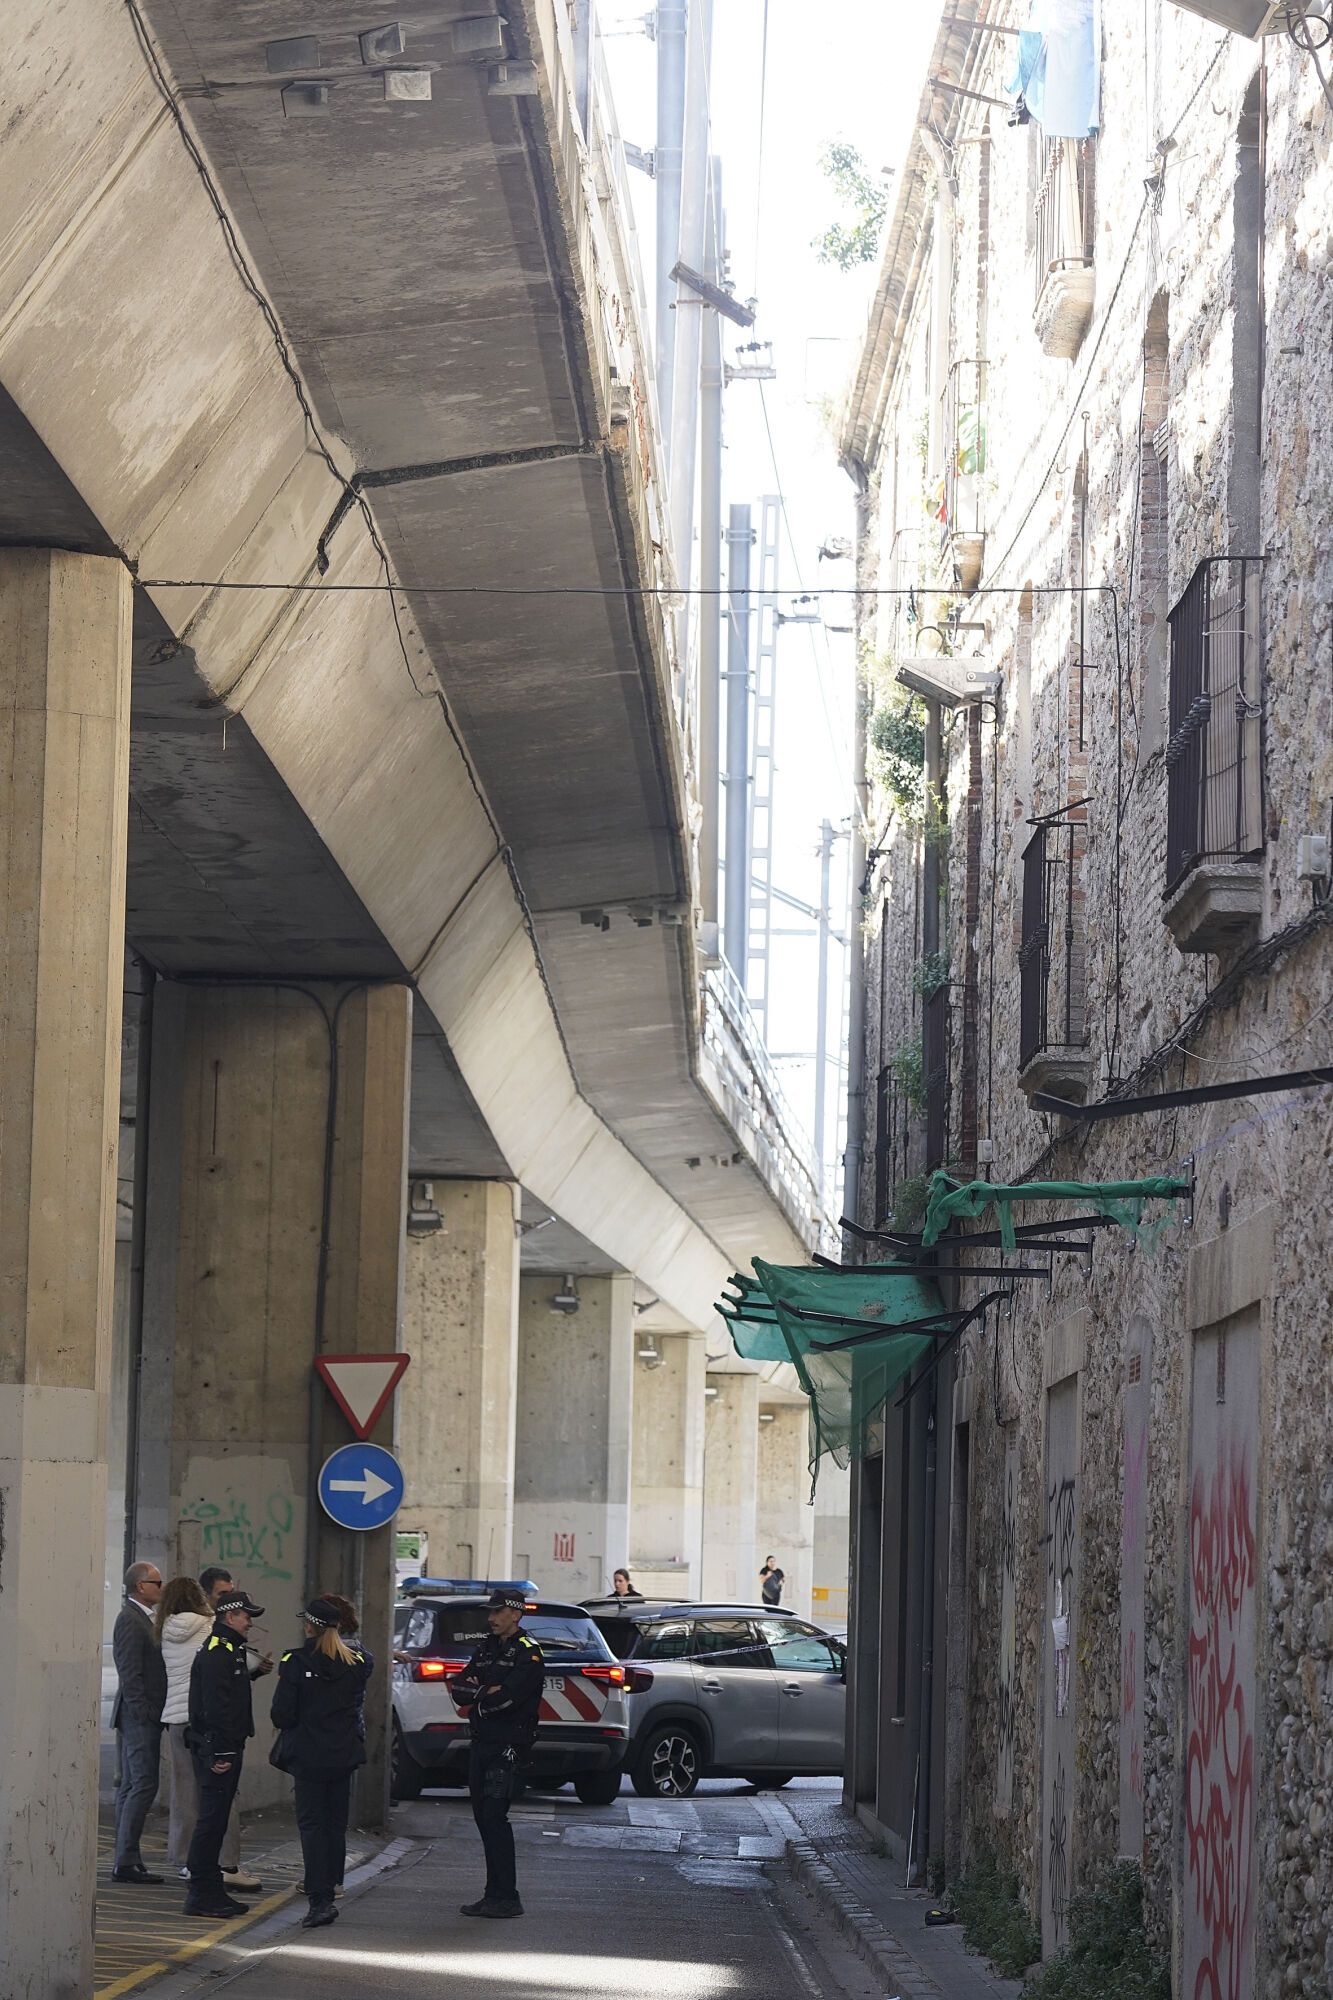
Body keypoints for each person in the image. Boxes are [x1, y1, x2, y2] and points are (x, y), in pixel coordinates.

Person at [270, 1598, 373, 1930]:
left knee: (312, 1826)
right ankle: (333, 1885)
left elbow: (281, 1714)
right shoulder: (357, 1663)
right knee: (334, 1823)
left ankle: (319, 1899)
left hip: (309, 1755)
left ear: (309, 1626)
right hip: (342, 1755)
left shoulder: (296, 1661)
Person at [449, 1588, 545, 1920]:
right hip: (482, 1740)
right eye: (490, 1612)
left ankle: (507, 1896)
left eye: (497, 1612)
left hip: (508, 1745)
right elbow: (458, 1688)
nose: (490, 1618)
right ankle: (493, 1894)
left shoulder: (528, 1652)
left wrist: (481, 1696)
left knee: (494, 1817)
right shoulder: (487, 1648)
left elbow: (509, 1700)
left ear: (516, 1614)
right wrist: (482, 1693)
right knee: (482, 1817)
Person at [183, 1589, 264, 1917]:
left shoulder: (230, 1649)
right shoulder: (219, 1651)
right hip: (218, 1750)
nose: (249, 1623)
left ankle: (210, 1889)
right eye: (246, 1617)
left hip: (224, 1748)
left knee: (216, 1822)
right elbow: (214, 1709)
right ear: (230, 1616)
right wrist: (222, 1752)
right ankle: (202, 1892)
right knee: (211, 1821)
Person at [111, 1560, 167, 1883]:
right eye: (157, 1583)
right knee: (143, 1783)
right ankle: (126, 1860)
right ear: (140, 1587)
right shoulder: (131, 1620)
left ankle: (126, 1856)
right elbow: (129, 1671)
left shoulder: (144, 1617)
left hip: (139, 1713)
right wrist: (143, 1711)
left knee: (132, 1785)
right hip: (138, 1715)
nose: (161, 1588)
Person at [156, 1576, 213, 1879]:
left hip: (175, 1718)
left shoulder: (165, 1628)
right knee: (211, 1791)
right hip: (200, 1717)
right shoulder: (207, 1625)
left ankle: (183, 1858)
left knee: (184, 1791)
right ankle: (207, 1859)